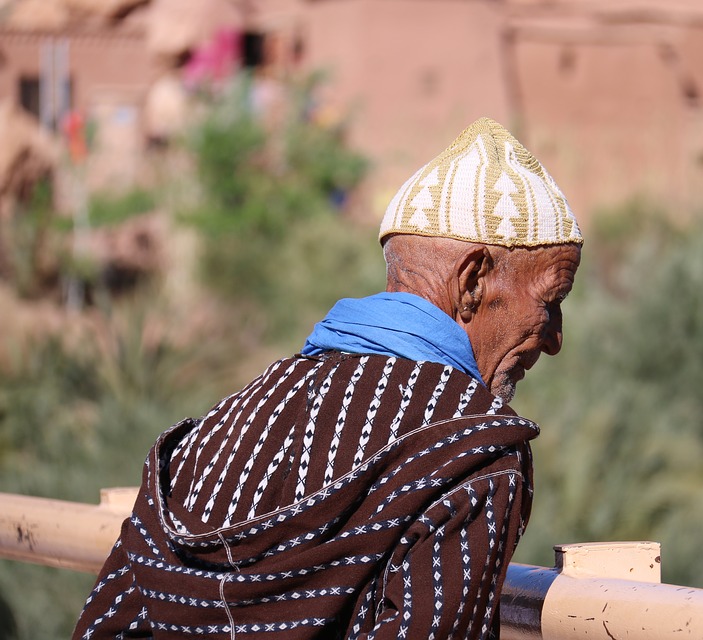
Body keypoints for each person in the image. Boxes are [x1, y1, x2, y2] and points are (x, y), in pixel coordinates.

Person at [73, 117, 582, 639]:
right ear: (473, 280)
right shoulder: (472, 448)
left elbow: (105, 624)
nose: (554, 338)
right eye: (552, 301)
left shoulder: (233, 415)